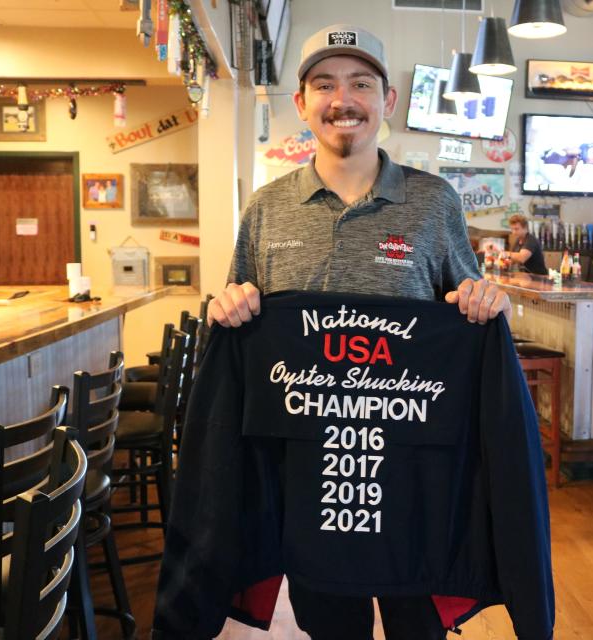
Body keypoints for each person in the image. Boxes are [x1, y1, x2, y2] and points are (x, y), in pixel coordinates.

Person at [205, 23, 510, 639]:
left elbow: (467, 307)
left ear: (387, 100)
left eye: (360, 83)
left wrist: (485, 300)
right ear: (302, 104)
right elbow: (243, 311)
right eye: (324, 84)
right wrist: (228, 305)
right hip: (312, 482)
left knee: (416, 628)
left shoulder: (435, 202)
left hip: (412, 480)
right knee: (330, 626)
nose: (342, 99)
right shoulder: (267, 208)